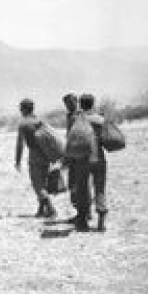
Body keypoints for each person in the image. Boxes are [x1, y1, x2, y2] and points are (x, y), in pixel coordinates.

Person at [13, 98, 58, 219]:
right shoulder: (40, 121)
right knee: (43, 182)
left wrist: (17, 161)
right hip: (46, 154)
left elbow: (20, 144)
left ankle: (51, 209)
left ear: (23, 109)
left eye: (21, 108)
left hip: (35, 155)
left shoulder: (23, 124)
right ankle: (41, 210)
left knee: (37, 185)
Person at [71, 94, 109, 232]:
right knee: (100, 189)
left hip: (82, 159)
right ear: (93, 104)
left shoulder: (76, 119)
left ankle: (82, 222)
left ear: (81, 104)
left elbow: (71, 139)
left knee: (82, 190)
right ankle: (101, 221)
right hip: (99, 158)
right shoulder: (100, 119)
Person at [61, 93, 82, 221]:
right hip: (72, 154)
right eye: (66, 104)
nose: (68, 106)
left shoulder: (79, 116)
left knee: (77, 184)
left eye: (70, 103)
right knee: (74, 185)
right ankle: (81, 212)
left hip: (77, 154)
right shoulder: (70, 116)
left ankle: (82, 214)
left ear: (76, 101)